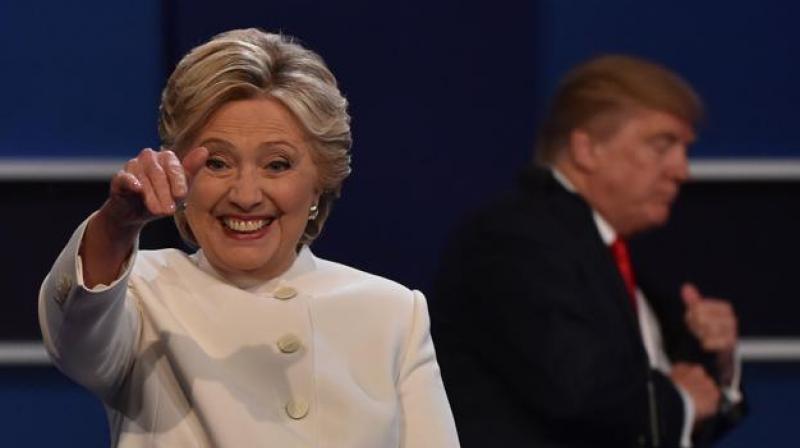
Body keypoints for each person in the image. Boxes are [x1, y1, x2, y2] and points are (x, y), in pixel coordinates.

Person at [38, 28, 459, 447]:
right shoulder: (142, 292)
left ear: (320, 182)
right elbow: (74, 343)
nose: (245, 195)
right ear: (180, 170)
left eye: (277, 165)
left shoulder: (394, 314)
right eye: (218, 163)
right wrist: (116, 226)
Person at [430, 55, 745, 447]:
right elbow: (577, 393)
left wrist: (720, 366)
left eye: (683, 149)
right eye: (662, 146)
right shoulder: (512, 239)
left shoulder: (619, 254)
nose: (681, 170)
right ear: (587, 149)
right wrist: (679, 400)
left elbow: (663, 412)